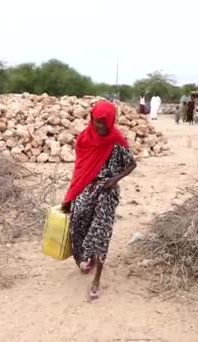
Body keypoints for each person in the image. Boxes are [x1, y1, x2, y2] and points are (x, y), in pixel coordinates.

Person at [60, 101, 136, 301]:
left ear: (111, 121)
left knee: (101, 230)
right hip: (86, 186)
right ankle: (89, 258)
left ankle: (97, 279)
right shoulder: (85, 138)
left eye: (103, 123)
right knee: (77, 223)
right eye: (96, 122)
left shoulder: (116, 141)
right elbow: (79, 169)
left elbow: (132, 164)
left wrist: (114, 179)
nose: (100, 127)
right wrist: (69, 196)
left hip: (106, 190)